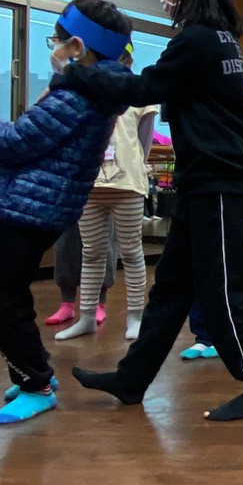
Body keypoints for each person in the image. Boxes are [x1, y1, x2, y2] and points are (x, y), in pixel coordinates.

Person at [63, 0, 243, 422]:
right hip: (205, 178)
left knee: (223, 291)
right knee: (172, 289)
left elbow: (144, 86)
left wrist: (77, 74)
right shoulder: (220, 37)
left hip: (218, 180)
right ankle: (131, 379)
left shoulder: (197, 40)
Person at [0, 0, 133, 425]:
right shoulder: (86, 89)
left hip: (32, 205)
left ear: (78, 47)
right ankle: (30, 371)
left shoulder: (79, 94)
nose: (54, 48)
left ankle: (36, 381)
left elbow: (15, 142)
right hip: (32, 203)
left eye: (57, 40)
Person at [56, 90, 158, 342]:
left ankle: (135, 317)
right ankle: (87, 317)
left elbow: (143, 142)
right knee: (91, 252)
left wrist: (131, 166)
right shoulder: (82, 90)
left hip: (128, 186)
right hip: (89, 185)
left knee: (131, 252)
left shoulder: (138, 92)